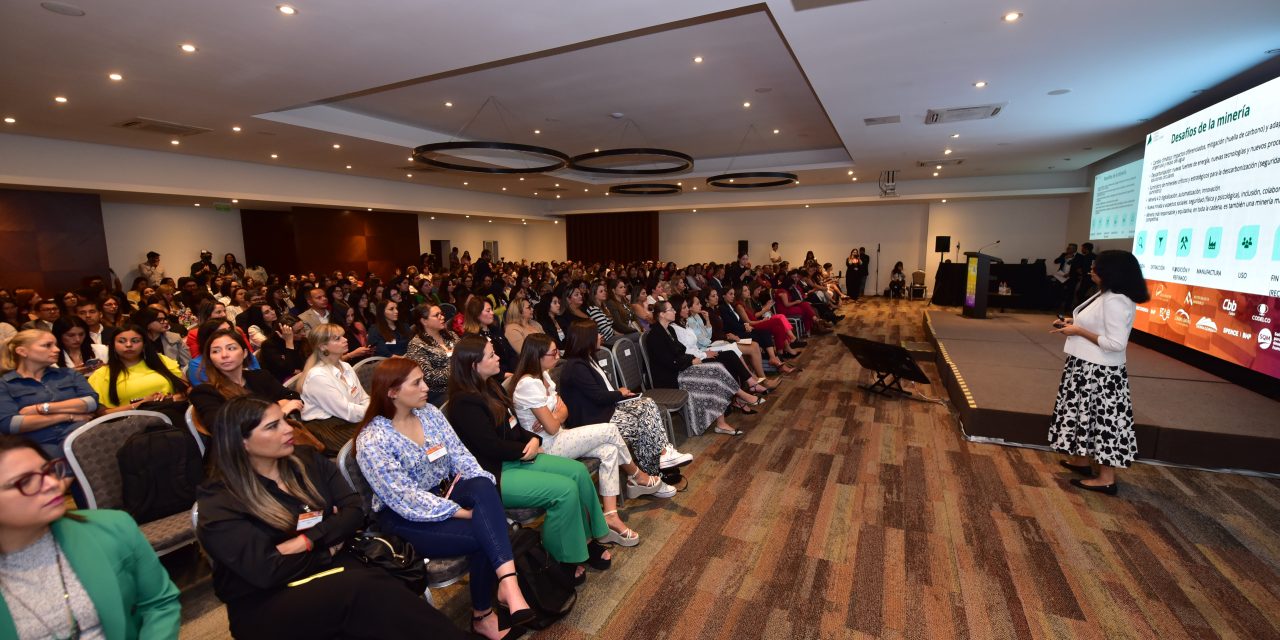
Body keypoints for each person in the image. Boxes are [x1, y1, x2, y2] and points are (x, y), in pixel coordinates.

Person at [196, 397, 472, 640]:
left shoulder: (305, 461)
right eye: (272, 426)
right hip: (268, 600)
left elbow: (353, 511)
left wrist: (306, 541)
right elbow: (265, 571)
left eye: (284, 420)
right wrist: (327, 541)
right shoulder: (221, 500)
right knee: (364, 589)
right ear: (241, 442)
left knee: (383, 584)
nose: (288, 429)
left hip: (329, 564)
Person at [355, 358, 535, 639]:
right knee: (483, 533)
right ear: (391, 392)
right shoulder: (373, 441)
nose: (427, 388)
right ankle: (483, 615)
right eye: (417, 383)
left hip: (444, 491)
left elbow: (461, 456)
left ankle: (508, 584)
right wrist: (463, 513)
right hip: (404, 516)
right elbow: (405, 499)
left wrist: (482, 491)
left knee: (483, 484)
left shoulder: (428, 414)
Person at [447, 336, 619, 583]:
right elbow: (488, 446)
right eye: (491, 355)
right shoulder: (464, 401)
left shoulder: (491, 386)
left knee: (578, 473)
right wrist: (523, 448)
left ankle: (586, 540)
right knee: (565, 491)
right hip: (497, 472)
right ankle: (560, 556)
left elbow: (514, 425)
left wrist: (532, 439)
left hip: (518, 456)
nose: (498, 357)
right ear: (474, 365)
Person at [0, 435, 182, 639]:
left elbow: (158, 604)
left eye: (48, 470)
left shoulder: (111, 528)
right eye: (26, 481)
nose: (52, 483)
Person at [511, 335, 674, 552]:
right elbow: (551, 426)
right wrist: (555, 415)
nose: (558, 355)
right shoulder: (527, 385)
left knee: (608, 450)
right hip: (547, 447)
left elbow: (563, 410)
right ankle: (637, 476)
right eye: (552, 353)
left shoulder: (544, 376)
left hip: (559, 435)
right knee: (610, 430)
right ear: (537, 356)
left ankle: (610, 516)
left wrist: (555, 415)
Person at [1048, 250, 1149, 496]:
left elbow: (1116, 343)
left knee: (1103, 423)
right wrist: (1071, 325)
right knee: (1085, 417)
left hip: (1100, 374)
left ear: (1112, 272)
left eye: (1097, 267)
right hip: (1086, 367)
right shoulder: (1107, 295)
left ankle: (1106, 479)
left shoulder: (1117, 300)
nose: (1091, 270)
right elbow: (1094, 325)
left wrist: (1077, 331)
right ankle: (1082, 461)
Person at [558, 320, 692, 484]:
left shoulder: (587, 359)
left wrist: (620, 394)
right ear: (587, 339)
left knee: (648, 403)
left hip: (604, 409)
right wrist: (619, 393)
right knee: (642, 423)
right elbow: (598, 397)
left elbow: (601, 395)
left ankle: (663, 457)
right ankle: (652, 472)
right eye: (597, 334)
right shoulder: (576, 367)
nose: (601, 336)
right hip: (594, 420)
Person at [644, 300, 761, 437]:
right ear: (662, 314)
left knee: (716, 368)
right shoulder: (655, 335)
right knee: (714, 372)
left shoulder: (668, 329)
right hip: (671, 376)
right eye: (671, 310)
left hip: (680, 368)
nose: (675, 311)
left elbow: (680, 352)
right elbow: (668, 362)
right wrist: (692, 361)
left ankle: (722, 421)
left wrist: (691, 360)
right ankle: (740, 396)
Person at [0, 330, 99, 457]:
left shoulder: (69, 374)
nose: (57, 349)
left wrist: (41, 408)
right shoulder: (5, 384)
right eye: (47, 345)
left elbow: (91, 402)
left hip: (81, 437)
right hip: (38, 446)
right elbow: (11, 425)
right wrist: (68, 416)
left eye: (56, 345)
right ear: (22, 351)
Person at [189, 329, 303, 432]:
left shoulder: (260, 376)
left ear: (244, 353)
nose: (224, 355)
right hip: (240, 451)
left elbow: (294, 397)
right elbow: (220, 427)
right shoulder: (205, 392)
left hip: (279, 436)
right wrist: (279, 408)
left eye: (231, 348)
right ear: (210, 359)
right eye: (216, 351)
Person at [297, 324, 369, 451]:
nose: (345, 340)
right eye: (337, 338)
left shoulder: (345, 366)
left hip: (349, 417)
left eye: (343, 336)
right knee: (376, 436)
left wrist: (373, 409)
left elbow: (363, 397)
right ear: (322, 346)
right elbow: (346, 411)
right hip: (329, 428)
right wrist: (374, 411)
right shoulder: (317, 376)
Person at [87, 324, 189, 413]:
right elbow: (102, 414)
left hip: (172, 412)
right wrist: (142, 404)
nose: (128, 345)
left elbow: (188, 390)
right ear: (112, 345)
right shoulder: (101, 374)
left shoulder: (161, 361)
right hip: (130, 424)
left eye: (135, 341)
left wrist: (169, 399)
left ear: (144, 344)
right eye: (121, 341)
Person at [404, 304, 457, 408]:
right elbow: (428, 377)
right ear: (424, 321)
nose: (442, 317)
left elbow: (464, 355)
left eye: (441, 314)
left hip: (461, 384)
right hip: (438, 393)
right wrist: (458, 370)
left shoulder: (451, 335)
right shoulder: (416, 345)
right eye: (437, 315)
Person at [461, 298, 516, 375]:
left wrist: (515, 371)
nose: (492, 313)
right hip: (492, 378)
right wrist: (503, 375)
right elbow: (478, 368)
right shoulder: (471, 338)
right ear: (476, 314)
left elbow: (511, 352)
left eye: (492, 310)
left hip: (510, 372)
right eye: (488, 310)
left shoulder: (494, 329)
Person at [255, 314, 307, 383]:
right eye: (298, 332)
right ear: (284, 333)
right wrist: (289, 342)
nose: (303, 333)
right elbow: (288, 369)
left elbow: (306, 361)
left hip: (303, 376)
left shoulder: (301, 339)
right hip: (282, 382)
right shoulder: (269, 346)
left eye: (303, 329)